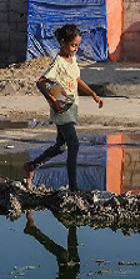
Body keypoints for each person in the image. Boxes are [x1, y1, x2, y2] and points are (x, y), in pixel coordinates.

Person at [24, 24, 104, 191]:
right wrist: (52, 101)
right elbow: (41, 82)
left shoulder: (72, 59)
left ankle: (32, 165)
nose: (75, 49)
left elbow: (76, 79)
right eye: (73, 45)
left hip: (71, 107)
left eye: (77, 45)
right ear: (62, 43)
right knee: (74, 145)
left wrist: (93, 94)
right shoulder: (58, 62)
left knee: (61, 146)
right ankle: (73, 188)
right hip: (62, 110)